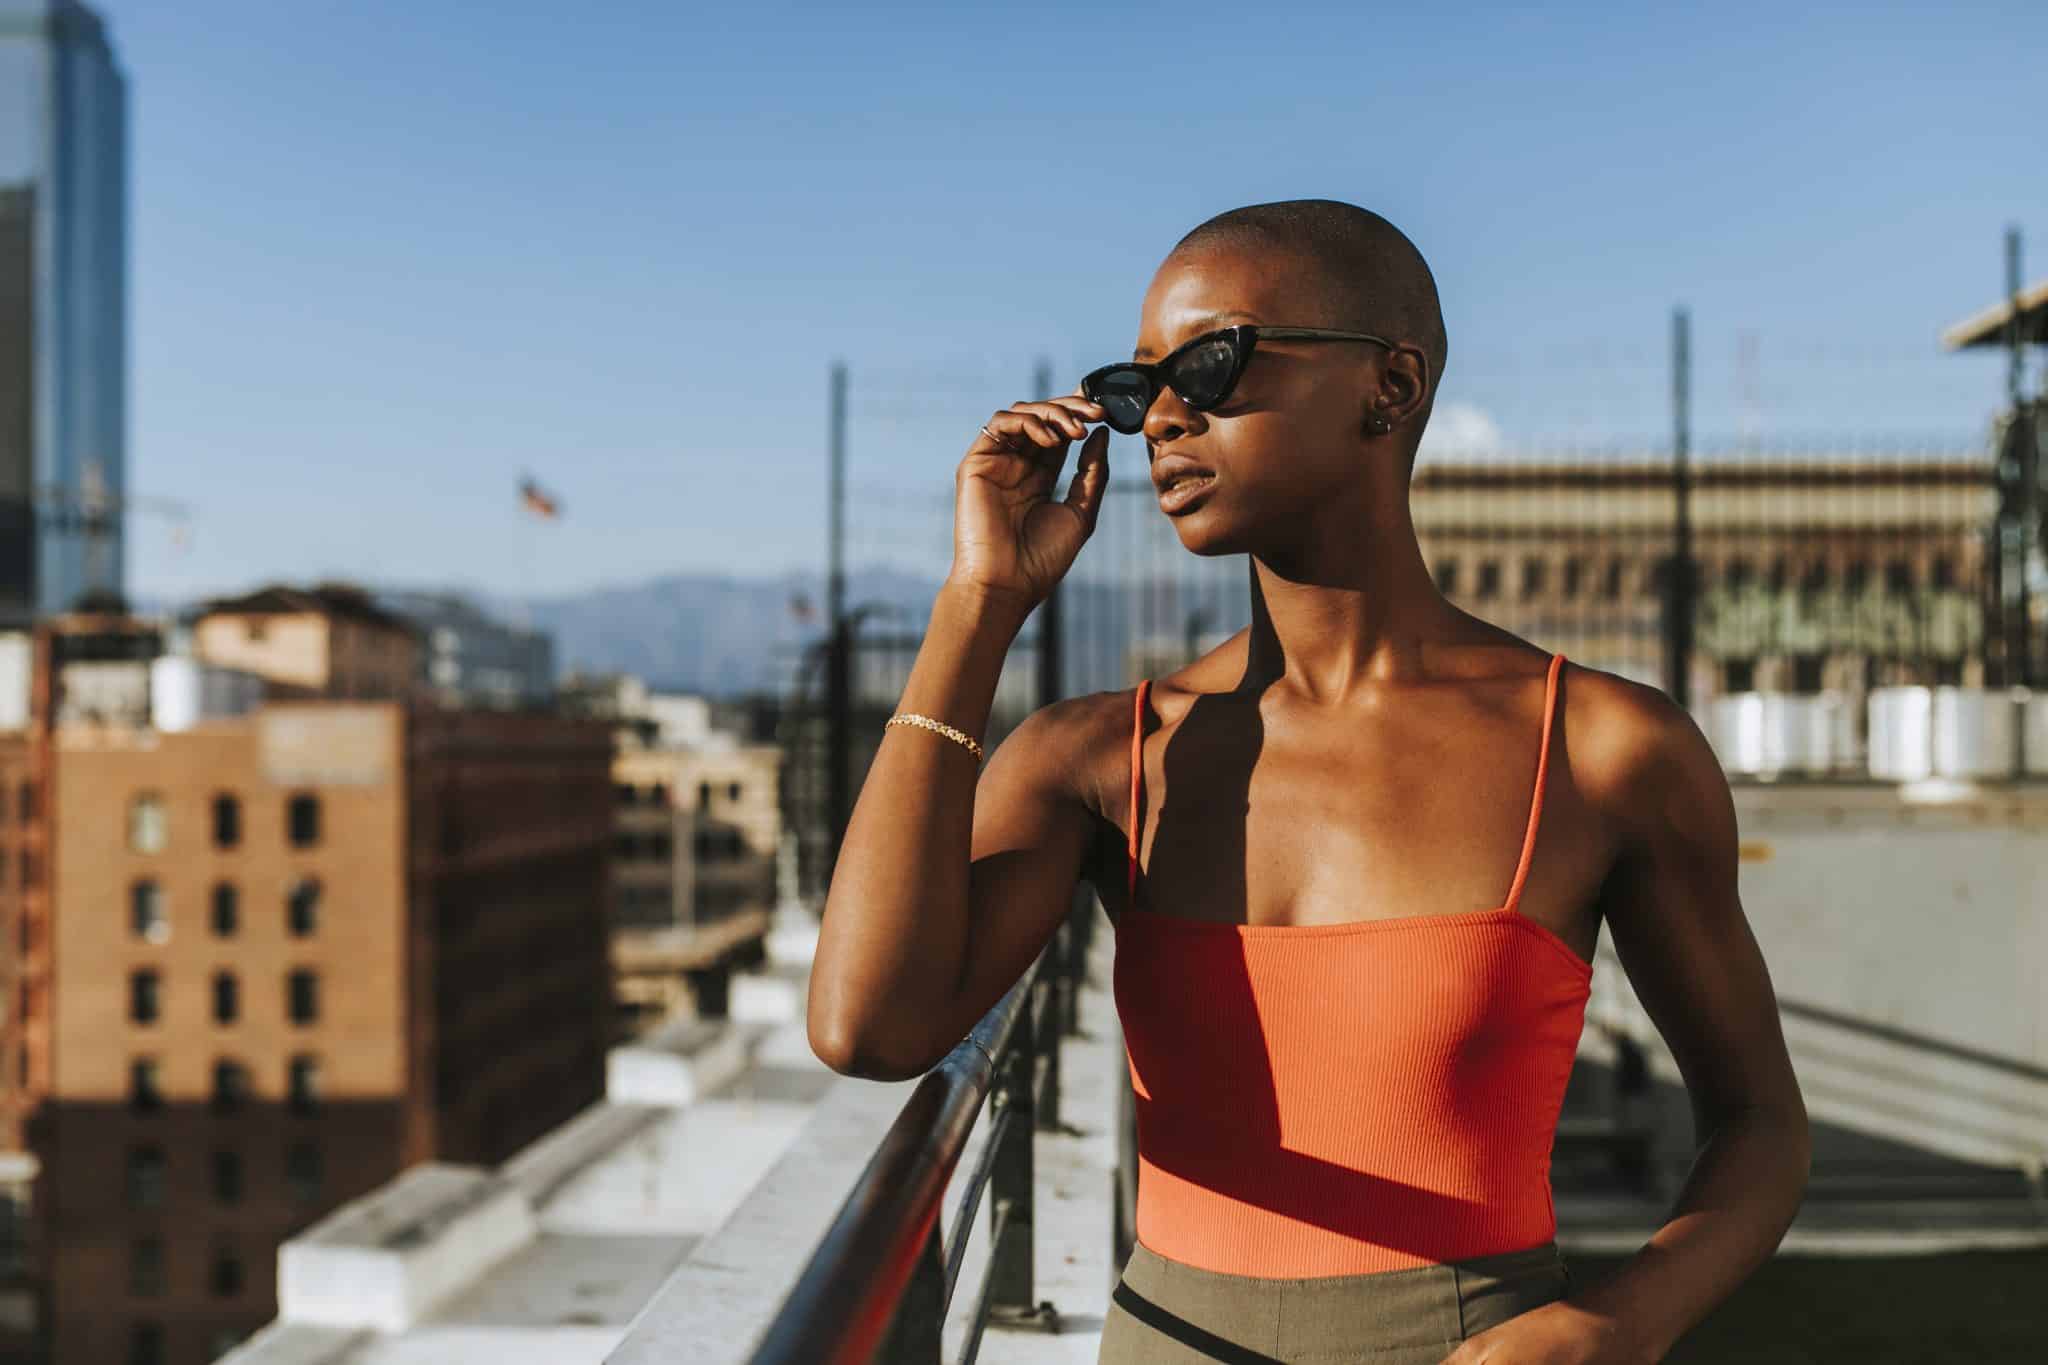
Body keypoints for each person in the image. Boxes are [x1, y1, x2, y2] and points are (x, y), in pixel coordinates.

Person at [808, 199, 1811, 1364]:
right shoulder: (1096, 762)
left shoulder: (1600, 750)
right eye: (1136, 389)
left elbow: (1757, 1123)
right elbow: (868, 1028)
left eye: (1212, 362)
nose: (1163, 419)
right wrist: (975, 605)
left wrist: (1616, 1323)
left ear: (1389, 385)